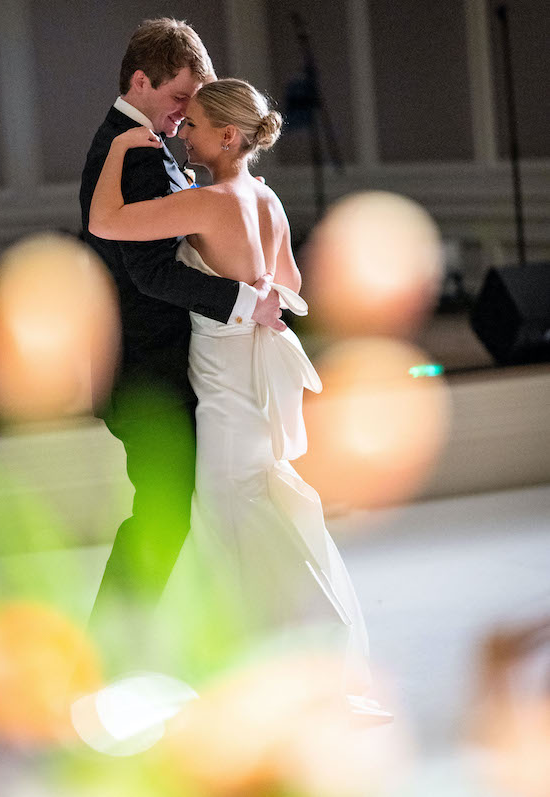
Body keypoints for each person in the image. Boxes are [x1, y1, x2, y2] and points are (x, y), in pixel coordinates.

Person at [88, 78, 391, 720]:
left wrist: (119, 151)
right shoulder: (267, 199)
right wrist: (253, 294)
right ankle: (284, 664)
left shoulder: (210, 201)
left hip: (225, 382)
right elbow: (291, 284)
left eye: (194, 125)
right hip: (253, 371)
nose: (183, 133)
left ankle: (267, 673)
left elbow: (104, 222)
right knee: (258, 504)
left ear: (228, 136)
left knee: (229, 516)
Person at [79, 20, 284, 651]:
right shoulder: (132, 149)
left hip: (179, 363)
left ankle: (158, 646)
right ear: (140, 81)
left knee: (186, 510)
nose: (182, 117)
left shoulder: (140, 141)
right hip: (149, 369)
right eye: (177, 100)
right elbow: (147, 274)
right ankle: (105, 652)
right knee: (166, 510)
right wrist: (242, 300)